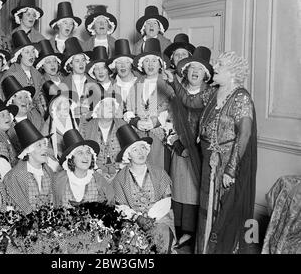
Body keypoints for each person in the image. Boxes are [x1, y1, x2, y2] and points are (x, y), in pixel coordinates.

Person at [164, 51, 257, 254]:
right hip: (209, 162)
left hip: (227, 165)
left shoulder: (241, 98)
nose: (214, 66)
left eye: (220, 64)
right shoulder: (213, 92)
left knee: (225, 212)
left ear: (232, 72)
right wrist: (173, 82)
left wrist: (231, 170)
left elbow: (244, 134)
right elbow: (190, 101)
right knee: (207, 210)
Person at [169, 46, 213, 249]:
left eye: (200, 69)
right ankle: (178, 231)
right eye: (192, 68)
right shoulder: (176, 93)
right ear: (185, 71)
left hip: (201, 153)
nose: (195, 72)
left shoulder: (210, 95)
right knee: (179, 189)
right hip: (179, 150)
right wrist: (177, 145)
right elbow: (168, 120)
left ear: (206, 75)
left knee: (195, 191)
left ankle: (192, 233)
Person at [112, 124, 176, 254]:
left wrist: (152, 218)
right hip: (131, 221)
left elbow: (167, 200)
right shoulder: (120, 178)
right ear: (128, 155)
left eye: (142, 148)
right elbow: (120, 207)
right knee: (128, 239)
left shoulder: (159, 173)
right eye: (135, 150)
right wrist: (137, 218)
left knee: (161, 234)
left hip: (159, 219)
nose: (141, 152)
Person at [125, 38, 173, 172]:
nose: (150, 64)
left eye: (154, 61)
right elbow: (128, 110)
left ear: (160, 64)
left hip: (159, 138)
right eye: (147, 61)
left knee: (157, 172)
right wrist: (135, 121)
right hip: (138, 138)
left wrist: (156, 122)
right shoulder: (136, 83)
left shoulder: (168, 86)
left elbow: (173, 112)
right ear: (142, 65)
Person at [3, 119, 55, 214]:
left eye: (45, 144)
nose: (45, 148)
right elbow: (19, 208)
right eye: (39, 145)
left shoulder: (49, 172)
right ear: (28, 151)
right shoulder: (14, 177)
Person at [53, 129, 114, 208]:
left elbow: (111, 204)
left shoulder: (98, 180)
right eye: (80, 153)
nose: (86, 157)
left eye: (88, 152)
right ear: (71, 158)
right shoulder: (58, 180)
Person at [80, 92, 126, 183]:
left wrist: (118, 172)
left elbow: (131, 152)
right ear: (97, 109)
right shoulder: (86, 128)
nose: (110, 108)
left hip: (121, 171)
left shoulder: (123, 125)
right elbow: (82, 155)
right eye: (105, 105)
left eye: (112, 105)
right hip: (95, 172)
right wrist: (98, 171)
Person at [3, 30, 44, 111]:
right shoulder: (11, 75)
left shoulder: (37, 74)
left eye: (33, 51)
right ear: (19, 55)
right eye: (27, 52)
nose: (31, 55)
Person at [2, 76, 42, 152]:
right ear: (11, 102)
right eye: (20, 98)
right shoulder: (7, 126)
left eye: (26, 97)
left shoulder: (37, 117)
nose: (24, 101)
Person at [41, 80, 79, 160]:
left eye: (66, 101)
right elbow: (42, 147)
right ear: (54, 106)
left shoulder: (75, 120)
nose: (65, 104)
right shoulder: (48, 125)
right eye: (60, 102)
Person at [60, 37, 94, 118]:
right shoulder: (63, 85)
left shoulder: (94, 83)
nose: (81, 64)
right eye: (77, 61)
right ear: (70, 64)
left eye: (83, 60)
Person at [33, 39, 64, 117]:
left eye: (54, 61)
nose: (52, 65)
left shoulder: (65, 78)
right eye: (48, 62)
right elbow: (43, 111)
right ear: (42, 66)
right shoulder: (41, 85)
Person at [109, 39, 139, 112]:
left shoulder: (141, 82)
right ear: (115, 66)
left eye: (127, 62)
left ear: (131, 65)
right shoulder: (109, 87)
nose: (123, 65)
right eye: (119, 62)